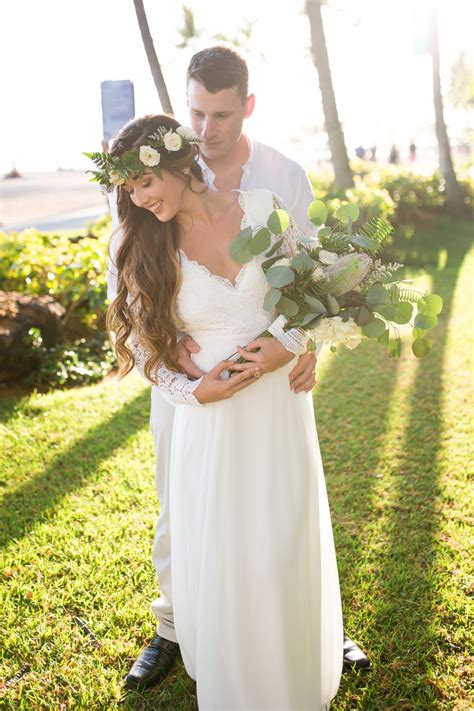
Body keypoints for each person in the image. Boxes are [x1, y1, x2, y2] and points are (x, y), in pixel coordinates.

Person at [108, 46, 370, 687]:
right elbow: (140, 327)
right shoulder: (147, 225)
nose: (207, 128)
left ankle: (305, 639)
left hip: (277, 398)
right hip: (202, 400)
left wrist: (299, 345)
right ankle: (179, 626)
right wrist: (191, 386)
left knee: (284, 524)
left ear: (245, 107)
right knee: (194, 521)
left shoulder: (271, 187)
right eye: (196, 113)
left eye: (220, 114)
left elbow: (319, 286)